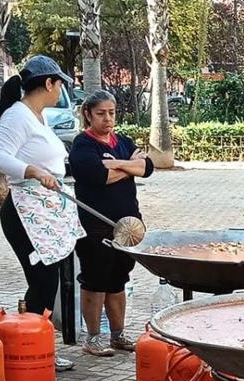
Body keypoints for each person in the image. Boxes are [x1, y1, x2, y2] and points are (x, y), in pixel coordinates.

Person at [0, 55, 83, 371]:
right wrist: (31, 170)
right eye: (60, 84)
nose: (60, 90)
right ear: (48, 83)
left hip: (45, 212)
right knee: (43, 282)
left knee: (46, 282)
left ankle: (32, 347)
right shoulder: (17, 116)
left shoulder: (36, 116)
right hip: (24, 213)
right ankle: (30, 350)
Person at [69, 90, 153, 357]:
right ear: (88, 115)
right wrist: (131, 166)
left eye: (111, 113)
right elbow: (98, 177)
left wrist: (117, 163)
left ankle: (118, 335)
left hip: (128, 225)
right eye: (101, 113)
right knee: (95, 280)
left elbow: (148, 167)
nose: (107, 119)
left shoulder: (122, 141)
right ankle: (92, 338)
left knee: (118, 279)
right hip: (95, 226)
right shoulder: (83, 145)